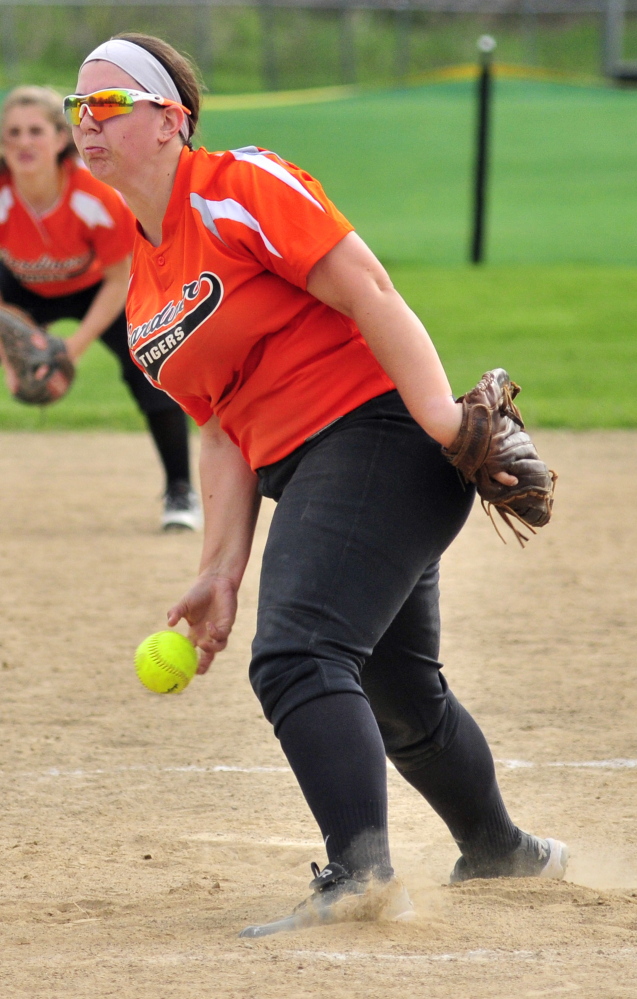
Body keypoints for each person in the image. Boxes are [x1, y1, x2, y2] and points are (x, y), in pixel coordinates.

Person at [68, 33, 569, 936]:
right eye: (79, 109)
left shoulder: (236, 185)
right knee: (400, 694)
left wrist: (445, 425)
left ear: (170, 120)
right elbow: (220, 430)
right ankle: (500, 849)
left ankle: (361, 874)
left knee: (297, 651)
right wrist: (221, 568)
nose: (85, 123)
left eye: (107, 105)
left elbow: (368, 289)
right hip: (308, 473)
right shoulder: (147, 287)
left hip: (378, 435)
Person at [0, 85, 200, 531]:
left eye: (37, 131)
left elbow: (118, 278)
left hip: (96, 286)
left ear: (60, 139)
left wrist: (71, 348)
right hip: (20, 284)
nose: (23, 142)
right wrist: (9, 343)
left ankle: (180, 491)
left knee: (149, 364)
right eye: (12, 133)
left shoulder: (94, 194)